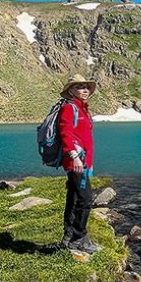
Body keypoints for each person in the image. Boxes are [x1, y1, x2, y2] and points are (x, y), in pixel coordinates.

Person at [57, 74, 100, 254]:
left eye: (86, 87)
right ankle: (79, 237)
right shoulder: (69, 108)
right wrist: (74, 156)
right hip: (76, 160)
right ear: (71, 91)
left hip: (83, 161)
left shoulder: (83, 109)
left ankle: (68, 235)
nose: (85, 90)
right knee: (86, 198)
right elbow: (65, 133)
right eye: (80, 87)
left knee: (74, 197)